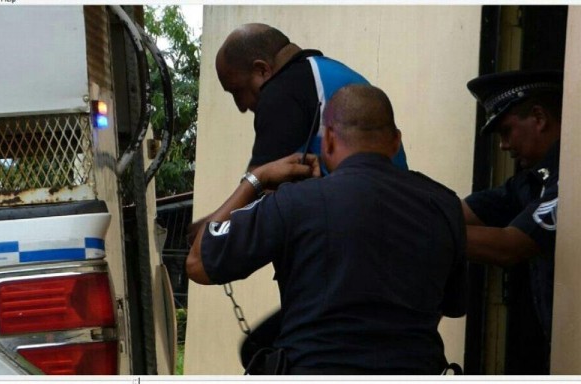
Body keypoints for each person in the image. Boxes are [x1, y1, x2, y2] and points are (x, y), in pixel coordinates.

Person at [187, 84, 467, 374]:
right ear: (396, 141)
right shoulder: (444, 205)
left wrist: (256, 179)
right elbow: (453, 306)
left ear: (329, 140)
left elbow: (198, 263)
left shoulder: (295, 202)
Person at [463, 70, 563, 373]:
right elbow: (458, 211)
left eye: (506, 131)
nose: (504, 146)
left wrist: (422, 232)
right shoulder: (529, 181)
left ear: (539, 117)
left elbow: (511, 246)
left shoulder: (572, 172)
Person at [215, 22, 408, 172]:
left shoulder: (282, 91)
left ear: (262, 70)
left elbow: (255, 200)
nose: (240, 106)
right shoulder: (330, 71)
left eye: (237, 92)